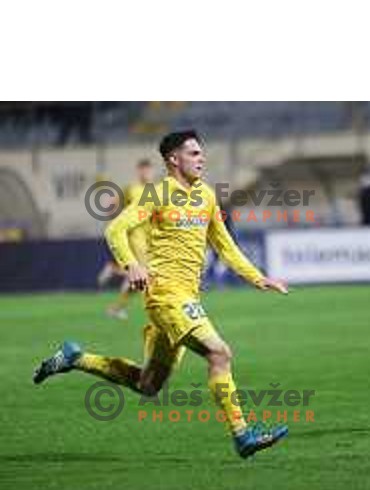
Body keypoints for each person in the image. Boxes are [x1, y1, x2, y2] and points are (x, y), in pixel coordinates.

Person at [34, 130, 289, 458]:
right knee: (219, 354)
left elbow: (225, 246)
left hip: (186, 298)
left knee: (148, 385)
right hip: (166, 295)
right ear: (174, 159)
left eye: (201, 152)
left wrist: (258, 278)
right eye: (194, 153)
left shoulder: (207, 197)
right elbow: (115, 229)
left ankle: (75, 358)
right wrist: (130, 265)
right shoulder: (158, 194)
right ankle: (242, 434)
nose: (202, 158)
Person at [97, 159, 154, 320]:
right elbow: (116, 205)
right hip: (135, 237)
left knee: (139, 278)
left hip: (148, 237)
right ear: (139, 171)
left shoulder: (154, 190)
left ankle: (116, 306)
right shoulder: (131, 189)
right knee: (143, 274)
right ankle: (154, 312)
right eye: (143, 170)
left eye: (148, 170)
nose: (146, 173)